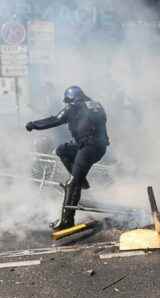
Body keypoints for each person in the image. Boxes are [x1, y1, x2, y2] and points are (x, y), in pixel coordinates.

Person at [25, 86, 109, 231]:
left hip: (89, 147)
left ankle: (67, 221)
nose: (66, 104)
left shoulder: (73, 107)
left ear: (72, 99)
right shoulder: (96, 105)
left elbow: (55, 119)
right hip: (96, 146)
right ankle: (80, 179)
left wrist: (33, 125)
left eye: (68, 101)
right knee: (62, 150)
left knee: (71, 184)